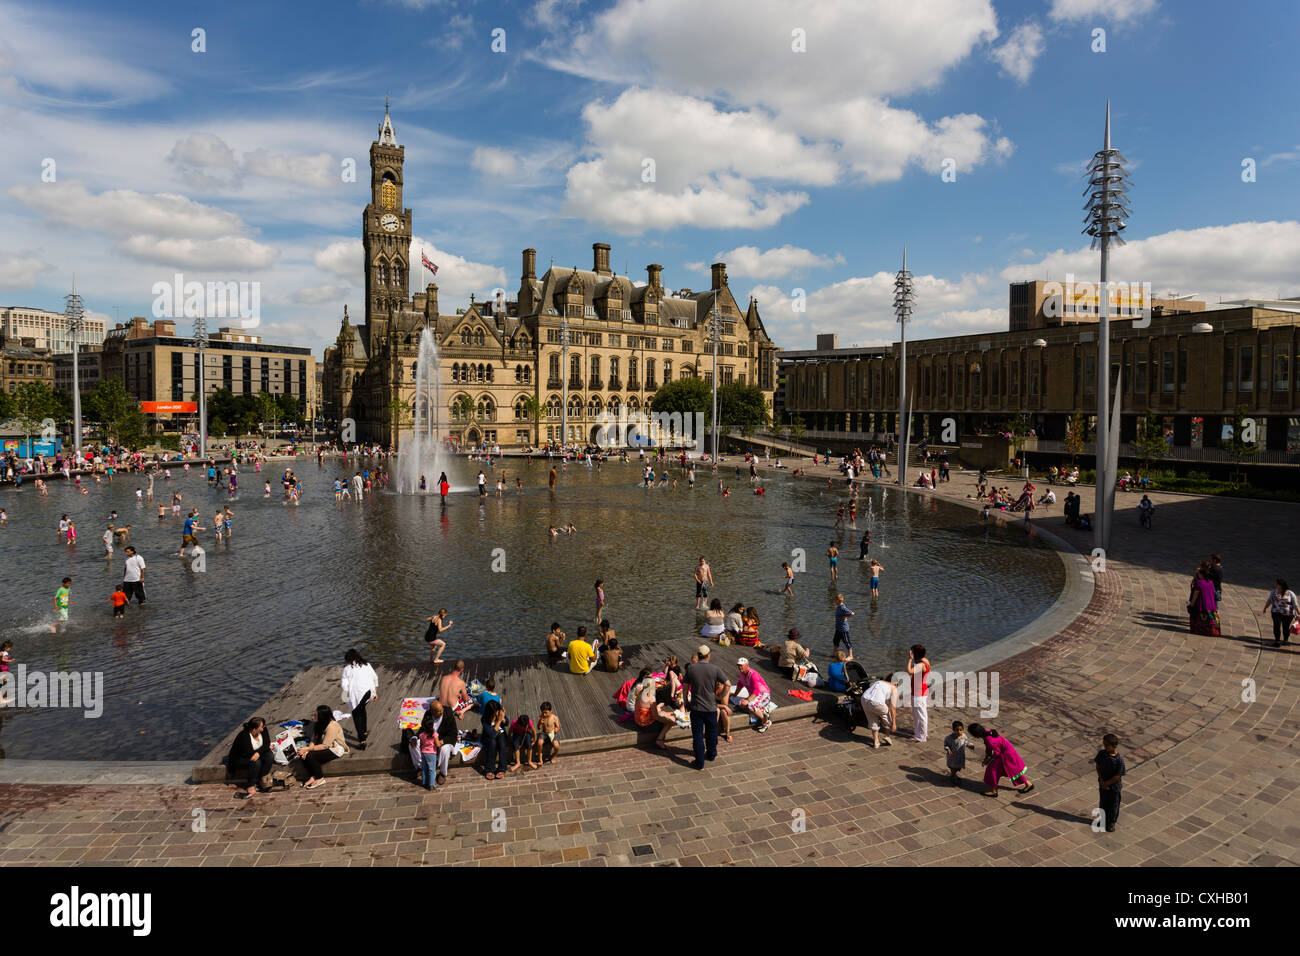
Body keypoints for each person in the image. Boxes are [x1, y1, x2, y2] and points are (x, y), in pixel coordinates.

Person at [684, 646, 729, 769]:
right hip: (711, 708)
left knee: (697, 736)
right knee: (712, 732)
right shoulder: (715, 669)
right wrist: (720, 696)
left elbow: (685, 685)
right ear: (708, 655)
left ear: (698, 655)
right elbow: (728, 683)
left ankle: (699, 763)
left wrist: (685, 701)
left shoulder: (691, 668)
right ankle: (711, 754)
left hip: (696, 707)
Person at [968, 723, 1034, 797]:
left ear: (976, 735)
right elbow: (989, 748)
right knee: (1013, 770)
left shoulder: (990, 740)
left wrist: (989, 760)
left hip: (1006, 755)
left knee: (992, 770)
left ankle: (994, 791)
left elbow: (997, 753)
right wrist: (987, 757)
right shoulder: (987, 732)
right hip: (1006, 752)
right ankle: (1028, 784)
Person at [299, 704, 349, 789]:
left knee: (311, 756)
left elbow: (326, 746)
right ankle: (313, 776)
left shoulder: (332, 726)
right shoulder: (318, 724)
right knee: (303, 754)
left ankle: (320, 778)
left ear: (322, 717)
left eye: (316, 715)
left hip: (335, 748)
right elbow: (314, 739)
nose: (314, 716)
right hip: (324, 746)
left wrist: (308, 749)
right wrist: (307, 750)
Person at [227, 717, 274, 799]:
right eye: (261, 727)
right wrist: (261, 752)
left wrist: (259, 752)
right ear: (254, 729)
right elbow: (249, 753)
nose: (263, 729)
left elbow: (266, 743)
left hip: (256, 754)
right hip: (241, 758)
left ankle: (261, 779)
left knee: (269, 755)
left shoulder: (264, 730)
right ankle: (250, 785)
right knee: (256, 762)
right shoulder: (244, 735)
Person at [341, 648, 379, 749]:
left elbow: (344, 686)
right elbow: (375, 678)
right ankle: (364, 731)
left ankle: (362, 740)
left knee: (356, 714)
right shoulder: (367, 665)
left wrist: (346, 696)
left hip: (356, 695)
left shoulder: (347, 669)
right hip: (368, 692)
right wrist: (376, 693)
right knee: (362, 709)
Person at [1095, 732, 1126, 832]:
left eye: (1107, 745)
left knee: (1113, 804)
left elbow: (1118, 776)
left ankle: (1111, 822)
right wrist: (1101, 780)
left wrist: (1107, 783)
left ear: (1115, 746)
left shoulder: (1119, 760)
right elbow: (1098, 766)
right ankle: (1102, 819)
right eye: (1104, 745)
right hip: (1103, 784)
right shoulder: (1102, 754)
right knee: (1103, 802)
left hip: (1114, 787)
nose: (1105, 747)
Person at [734, 658, 773, 733]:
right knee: (742, 705)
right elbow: (740, 685)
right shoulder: (741, 674)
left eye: (741, 665)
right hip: (755, 695)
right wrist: (735, 694)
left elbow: (757, 691)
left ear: (747, 665)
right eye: (738, 665)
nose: (739, 667)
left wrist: (748, 700)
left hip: (763, 694)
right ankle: (762, 710)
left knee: (750, 705)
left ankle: (766, 722)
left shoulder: (753, 674)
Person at [860, 676, 897, 748]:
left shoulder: (879, 682)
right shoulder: (894, 688)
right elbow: (893, 708)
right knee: (887, 715)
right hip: (877, 702)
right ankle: (887, 736)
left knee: (872, 719)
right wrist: (894, 723)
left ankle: (876, 742)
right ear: (896, 683)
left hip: (864, 699)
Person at [1262, 578, 1298, 647]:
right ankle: (1277, 641)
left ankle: (1285, 639)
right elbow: (1269, 600)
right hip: (1276, 612)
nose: (1275, 585)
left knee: (1285, 627)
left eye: (1277, 584)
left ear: (1281, 585)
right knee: (1276, 626)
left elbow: (1295, 604)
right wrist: (1265, 607)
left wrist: (1299, 613)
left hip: (1288, 614)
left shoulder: (1290, 593)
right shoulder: (1274, 592)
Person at [479, 698, 509, 780]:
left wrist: (503, 718)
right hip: (489, 736)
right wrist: (499, 721)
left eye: (498, 710)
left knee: (502, 744)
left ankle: (502, 768)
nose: (497, 713)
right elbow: (491, 734)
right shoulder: (484, 719)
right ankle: (489, 769)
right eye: (495, 711)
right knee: (492, 743)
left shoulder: (500, 712)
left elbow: (507, 723)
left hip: (500, 733)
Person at [1187, 566, 1220, 636]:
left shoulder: (1199, 583)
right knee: (1209, 619)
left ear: (1201, 574)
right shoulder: (1211, 582)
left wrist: (1192, 604)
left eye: (1198, 573)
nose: (1197, 575)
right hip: (1211, 604)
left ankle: (1199, 630)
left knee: (1198, 618)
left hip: (1201, 603)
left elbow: (1195, 595)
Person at [416, 709, 442, 790]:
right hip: (431, 754)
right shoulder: (434, 734)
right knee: (432, 770)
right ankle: (431, 785)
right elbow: (437, 744)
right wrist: (441, 742)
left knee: (424, 768)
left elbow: (421, 745)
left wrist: (422, 751)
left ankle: (424, 782)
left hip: (423, 753)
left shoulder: (421, 735)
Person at [943, 720, 974, 784]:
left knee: (958, 767)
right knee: (953, 767)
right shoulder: (950, 738)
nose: (959, 732)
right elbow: (946, 744)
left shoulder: (964, 736)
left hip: (960, 755)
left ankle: (954, 775)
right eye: (957, 730)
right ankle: (952, 776)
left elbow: (966, 742)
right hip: (953, 756)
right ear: (953, 730)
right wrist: (948, 749)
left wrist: (970, 745)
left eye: (961, 730)